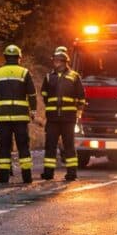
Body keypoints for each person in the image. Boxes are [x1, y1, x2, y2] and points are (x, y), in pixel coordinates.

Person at [0, 44, 36, 183]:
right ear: (19, 58)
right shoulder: (24, 72)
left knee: (3, 146)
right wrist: (33, 110)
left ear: (5, 57)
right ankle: (27, 177)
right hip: (21, 117)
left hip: (2, 117)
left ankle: (3, 177)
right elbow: (32, 93)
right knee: (23, 146)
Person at [40, 46, 86, 181]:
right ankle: (48, 173)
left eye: (58, 61)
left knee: (69, 146)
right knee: (50, 146)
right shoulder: (49, 77)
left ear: (64, 62)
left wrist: (78, 112)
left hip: (68, 119)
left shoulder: (74, 76)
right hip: (53, 118)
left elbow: (81, 97)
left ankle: (72, 174)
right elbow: (44, 94)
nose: (55, 63)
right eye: (54, 61)